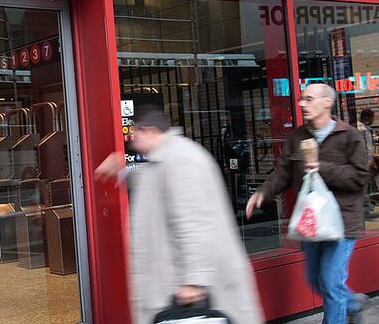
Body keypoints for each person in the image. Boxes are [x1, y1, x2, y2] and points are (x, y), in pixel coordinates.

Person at [96, 107, 263, 324]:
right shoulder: (164, 158)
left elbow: (193, 222)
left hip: (190, 291)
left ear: (150, 131)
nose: (133, 141)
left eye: (135, 134)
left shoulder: (182, 159)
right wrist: (122, 169)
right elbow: (152, 185)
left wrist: (194, 281)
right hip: (174, 286)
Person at [245, 83, 370, 324]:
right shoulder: (297, 136)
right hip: (311, 222)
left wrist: (323, 168)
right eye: (302, 99)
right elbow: (282, 173)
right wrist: (262, 193)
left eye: (309, 99)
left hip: (342, 223)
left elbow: (359, 178)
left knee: (332, 281)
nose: (302, 104)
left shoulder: (349, 136)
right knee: (315, 279)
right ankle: (353, 302)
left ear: (327, 102)